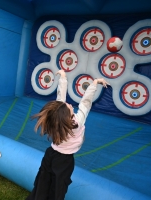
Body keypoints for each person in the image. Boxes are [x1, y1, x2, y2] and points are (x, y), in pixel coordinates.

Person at [26, 70, 109, 200]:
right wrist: (94, 83)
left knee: (43, 180)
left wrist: (63, 78)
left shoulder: (56, 120)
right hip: (64, 161)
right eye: (68, 107)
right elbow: (85, 104)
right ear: (66, 115)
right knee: (59, 187)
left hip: (50, 154)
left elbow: (60, 99)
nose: (69, 104)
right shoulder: (77, 122)